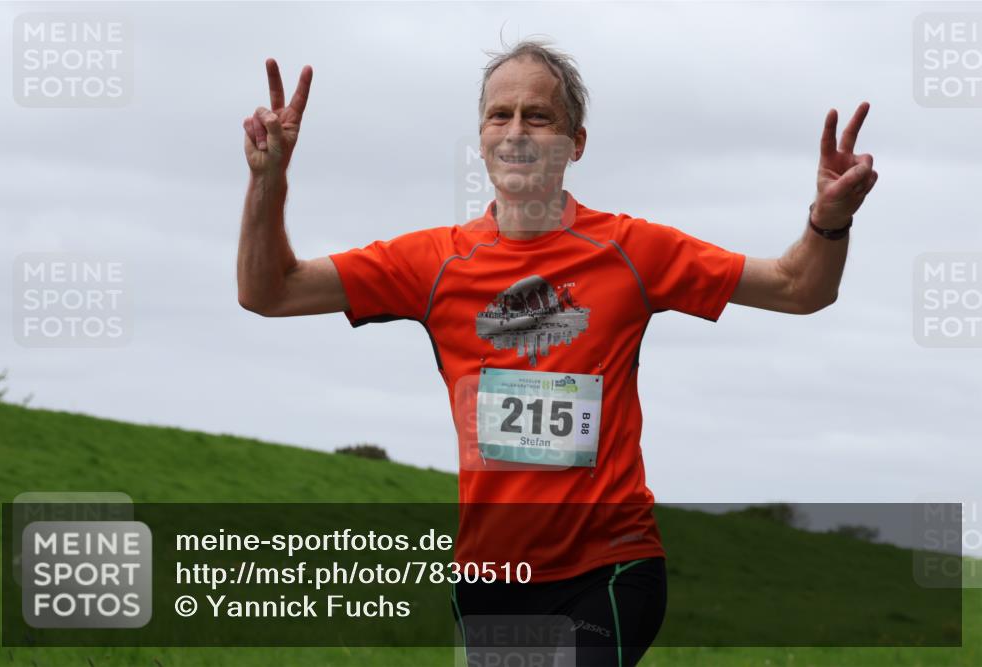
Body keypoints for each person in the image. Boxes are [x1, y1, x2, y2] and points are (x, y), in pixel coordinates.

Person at [237, 40, 877, 667]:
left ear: (576, 144)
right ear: (482, 138)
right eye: (500, 115)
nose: (516, 131)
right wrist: (269, 181)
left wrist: (829, 220)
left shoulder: (633, 250)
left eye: (538, 116)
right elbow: (269, 292)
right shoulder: (432, 263)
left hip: (610, 567)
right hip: (491, 575)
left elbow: (800, 289)